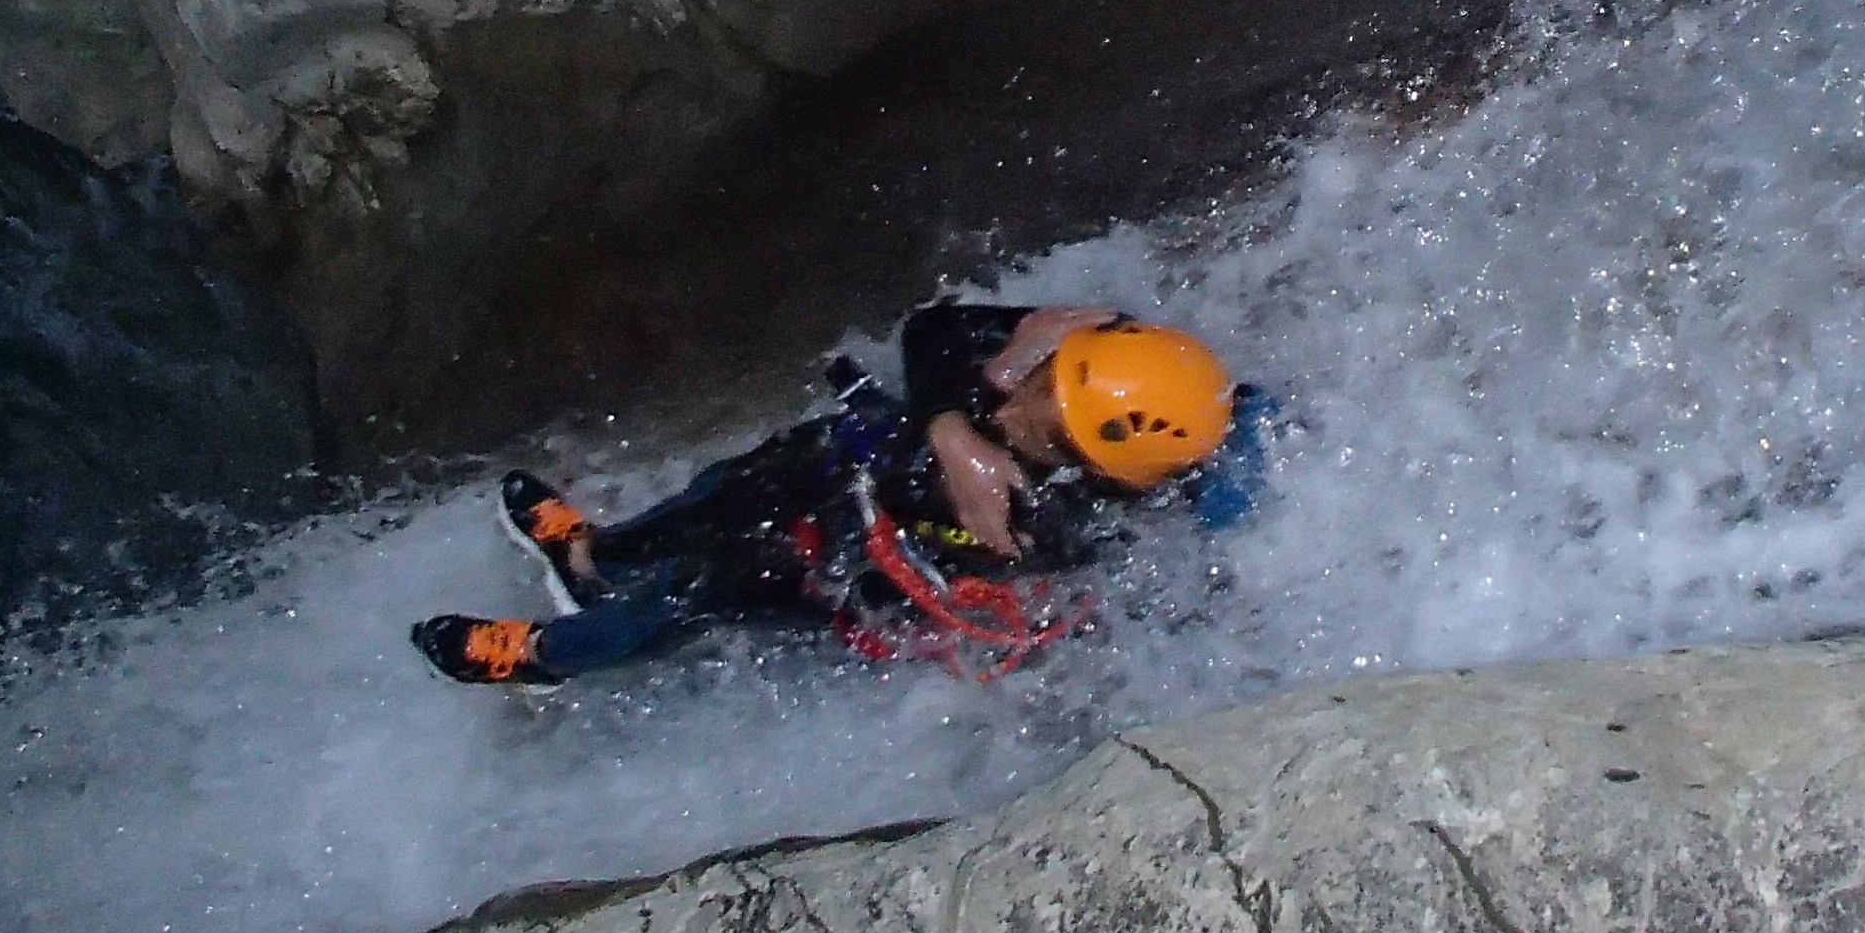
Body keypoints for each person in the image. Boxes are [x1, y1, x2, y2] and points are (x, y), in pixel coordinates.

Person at [410, 304, 1260, 687]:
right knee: (723, 489)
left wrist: (950, 446)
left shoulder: (1059, 517)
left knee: (701, 587)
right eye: (1044, 370)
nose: (1021, 382)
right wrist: (956, 423)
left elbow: (966, 517)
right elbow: (937, 329)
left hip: (874, 574)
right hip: (862, 467)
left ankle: (543, 657)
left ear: (1090, 451)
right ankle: (591, 553)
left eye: (1046, 392)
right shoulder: (1053, 393)